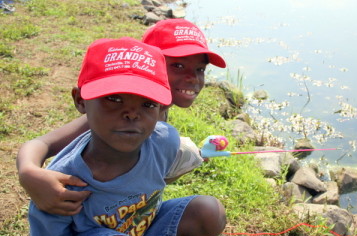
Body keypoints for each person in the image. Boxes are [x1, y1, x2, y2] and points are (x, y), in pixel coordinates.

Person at [27, 37, 226, 236]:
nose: (131, 114)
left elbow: (158, 178)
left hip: (140, 230)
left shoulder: (166, 141)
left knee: (209, 212)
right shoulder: (62, 184)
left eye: (147, 104)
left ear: (163, 108)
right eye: (114, 98)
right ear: (80, 100)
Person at [17, 18, 226, 216]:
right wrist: (29, 173)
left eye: (200, 69)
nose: (192, 78)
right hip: (91, 215)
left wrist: (191, 159)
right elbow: (42, 142)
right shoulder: (115, 115)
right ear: (149, 63)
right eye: (178, 66)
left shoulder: (157, 110)